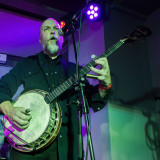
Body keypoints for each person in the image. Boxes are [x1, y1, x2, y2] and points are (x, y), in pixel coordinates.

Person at [0, 18, 112, 160]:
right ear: (40, 40)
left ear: (62, 38)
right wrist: (9, 110)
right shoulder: (26, 64)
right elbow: (1, 87)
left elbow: (93, 100)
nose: (52, 31)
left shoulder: (74, 70)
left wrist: (105, 85)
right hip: (28, 153)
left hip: (67, 152)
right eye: (46, 29)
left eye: (56, 28)